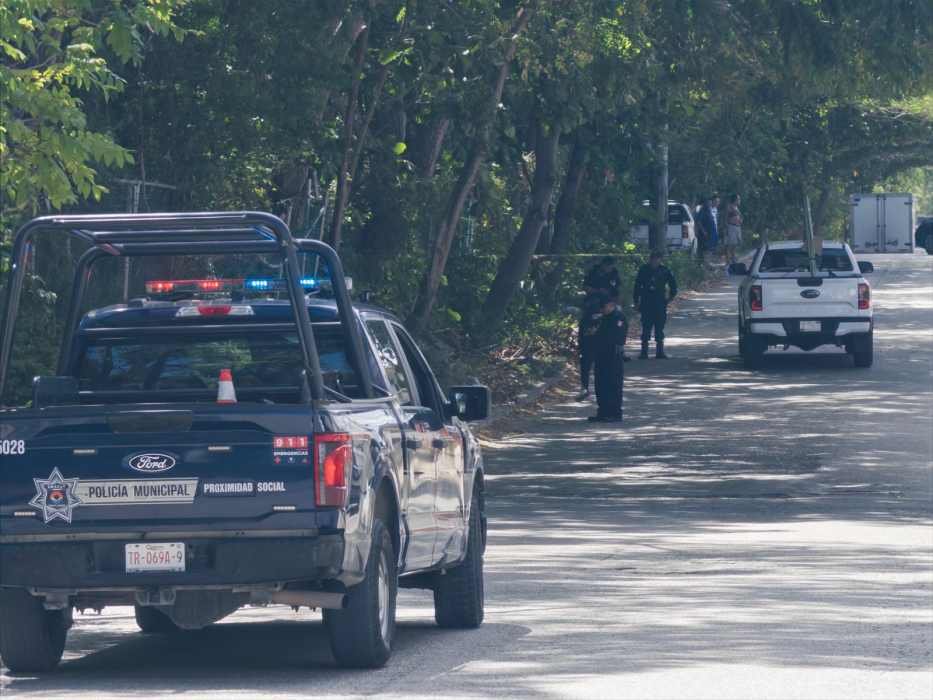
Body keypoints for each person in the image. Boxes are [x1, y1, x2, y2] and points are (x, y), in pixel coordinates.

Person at [588, 289, 628, 423]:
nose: (602, 310)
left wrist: (597, 335)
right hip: (601, 355)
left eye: (604, 307)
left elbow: (615, 337)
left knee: (613, 384)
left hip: (613, 356)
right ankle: (603, 412)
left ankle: (614, 413)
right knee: (600, 384)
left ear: (611, 305)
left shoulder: (618, 318)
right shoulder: (603, 318)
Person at [633, 250, 678, 359]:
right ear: (650, 259)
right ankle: (644, 352)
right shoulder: (644, 270)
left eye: (657, 259)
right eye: (653, 259)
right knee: (646, 327)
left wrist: (670, 298)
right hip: (646, 302)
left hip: (659, 302)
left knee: (659, 327)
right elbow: (637, 286)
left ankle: (660, 352)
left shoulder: (664, 270)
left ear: (660, 260)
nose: (655, 261)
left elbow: (673, 285)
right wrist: (636, 301)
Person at [576, 295, 603, 400]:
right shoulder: (604, 317)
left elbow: (581, 335)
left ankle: (585, 387)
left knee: (585, 368)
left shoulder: (585, 318)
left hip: (588, 345)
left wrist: (580, 346)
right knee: (599, 368)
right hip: (598, 346)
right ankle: (591, 388)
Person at [724, 193, 743, 264]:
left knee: (735, 244)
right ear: (735, 199)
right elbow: (726, 217)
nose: (739, 200)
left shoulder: (737, 207)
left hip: (737, 227)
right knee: (730, 244)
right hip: (731, 227)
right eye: (738, 199)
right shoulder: (730, 207)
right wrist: (726, 228)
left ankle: (733, 258)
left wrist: (740, 220)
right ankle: (728, 260)